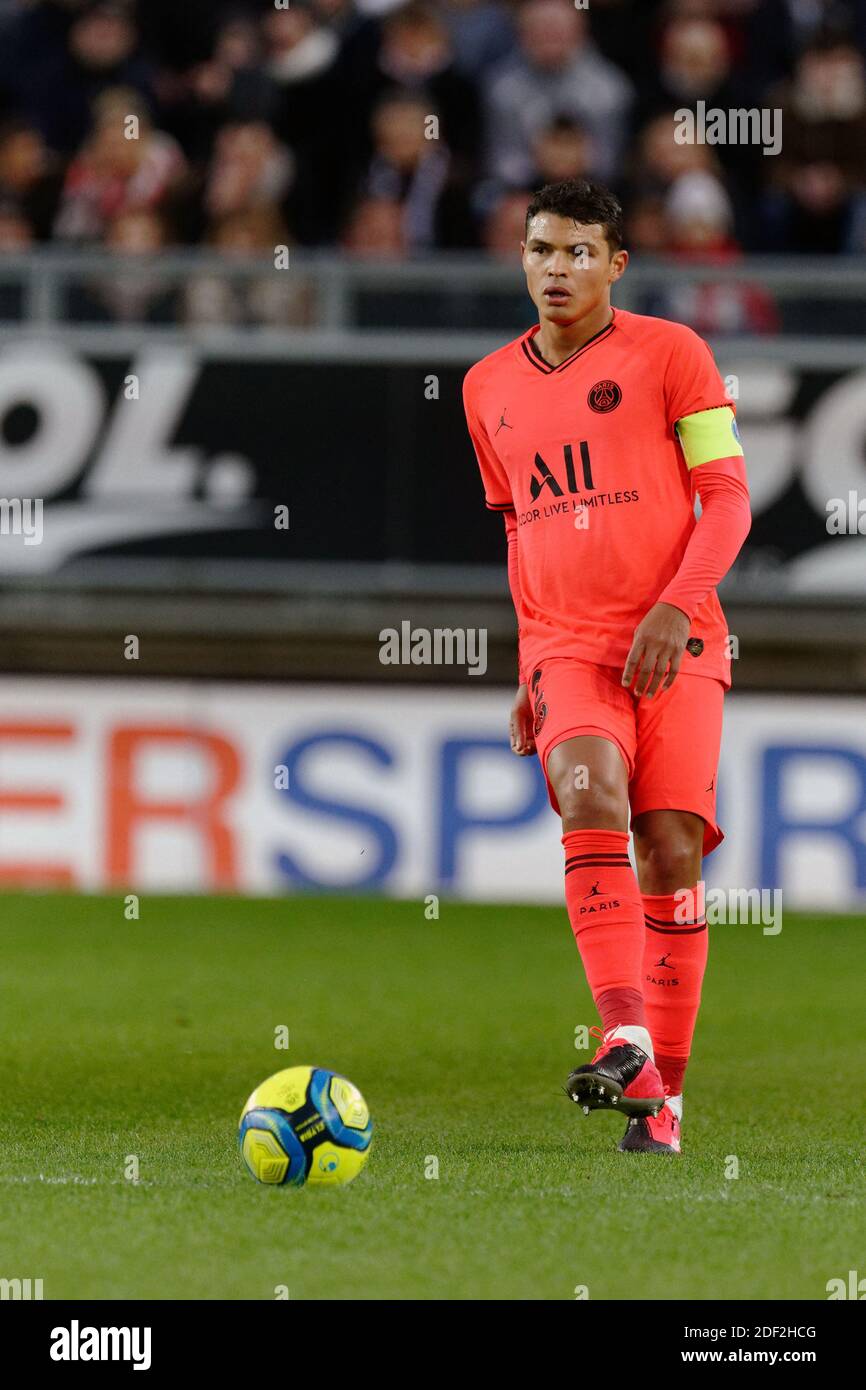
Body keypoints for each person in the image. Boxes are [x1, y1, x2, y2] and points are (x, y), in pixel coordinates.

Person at [462, 177, 751, 1155]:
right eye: (541, 249)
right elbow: (518, 533)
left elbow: (727, 500)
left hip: (679, 635)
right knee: (591, 793)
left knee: (667, 845)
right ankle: (621, 1028)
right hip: (564, 646)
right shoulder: (483, 387)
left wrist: (674, 605)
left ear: (615, 264)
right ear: (522, 258)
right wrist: (523, 662)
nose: (557, 268)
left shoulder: (674, 353)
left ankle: (659, 1100)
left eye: (578, 251)